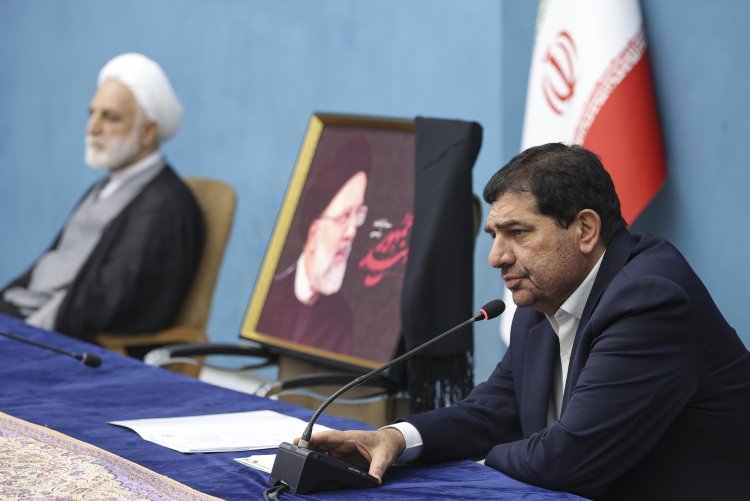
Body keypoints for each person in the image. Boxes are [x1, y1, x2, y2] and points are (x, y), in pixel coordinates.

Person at [300, 143, 750, 500]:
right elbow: (492, 412)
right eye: (494, 236)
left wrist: (471, 466)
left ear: (586, 230)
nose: (497, 257)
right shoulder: (539, 302)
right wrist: (395, 439)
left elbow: (569, 459)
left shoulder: (648, 300)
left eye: (518, 233)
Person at [0, 53, 204, 344]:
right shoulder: (104, 186)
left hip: (61, 340)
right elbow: (48, 264)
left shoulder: (163, 207)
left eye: (110, 117)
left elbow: (109, 304)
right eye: (92, 114)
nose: (92, 128)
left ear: (147, 132)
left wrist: (23, 334)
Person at [257, 136, 370, 355]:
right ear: (313, 229)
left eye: (358, 215)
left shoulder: (342, 318)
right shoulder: (268, 298)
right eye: (344, 216)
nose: (352, 232)